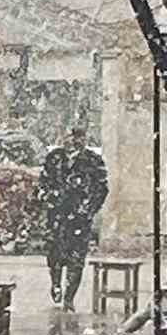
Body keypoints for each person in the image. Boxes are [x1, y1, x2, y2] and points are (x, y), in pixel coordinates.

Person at [39, 126, 108, 310]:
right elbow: (43, 183)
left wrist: (89, 209)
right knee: (54, 254)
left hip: (79, 219)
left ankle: (69, 298)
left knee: (76, 260)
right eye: (71, 137)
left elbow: (102, 189)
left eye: (80, 137)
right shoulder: (54, 158)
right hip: (57, 217)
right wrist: (49, 198)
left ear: (85, 139)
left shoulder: (92, 161)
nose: (75, 141)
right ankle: (55, 284)